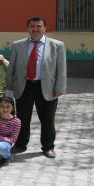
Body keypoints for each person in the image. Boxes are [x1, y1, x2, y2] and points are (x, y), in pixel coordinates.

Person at [5, 16, 67, 158]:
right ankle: (20, 144)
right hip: (24, 86)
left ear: (45, 28)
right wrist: (9, 87)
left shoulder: (57, 45)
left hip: (47, 88)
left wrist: (60, 88)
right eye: (32, 26)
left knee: (47, 119)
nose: (35, 29)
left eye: (39, 26)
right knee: (22, 118)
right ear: (28, 28)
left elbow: (61, 69)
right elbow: (12, 67)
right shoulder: (18, 45)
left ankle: (48, 146)